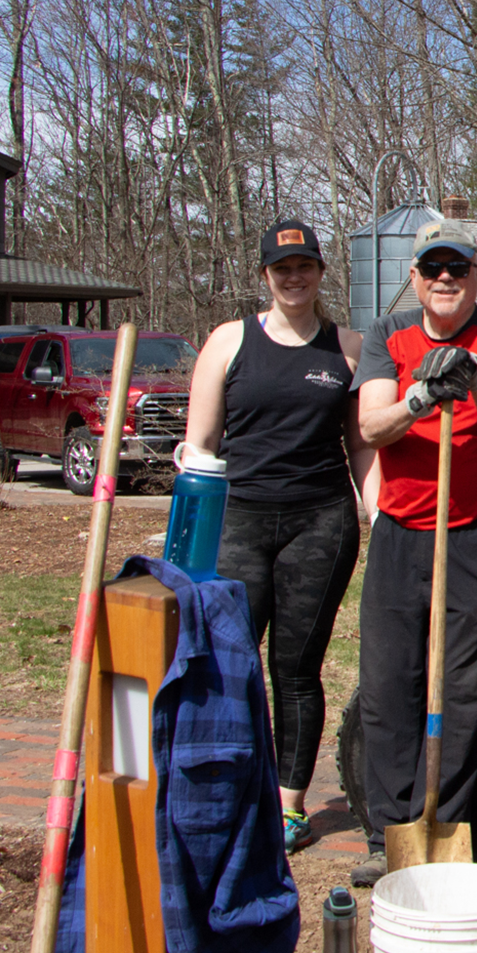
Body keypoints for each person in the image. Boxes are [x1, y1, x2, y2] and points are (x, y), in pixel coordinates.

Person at [185, 218, 375, 855]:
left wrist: (375, 512)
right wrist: (188, 522)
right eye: (280, 269)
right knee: (228, 664)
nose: (293, 278)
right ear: (264, 276)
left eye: (304, 267)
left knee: (295, 670)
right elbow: (201, 446)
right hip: (238, 519)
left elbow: (360, 448)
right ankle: (233, 790)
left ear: (321, 272)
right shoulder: (227, 343)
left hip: (319, 523)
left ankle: (289, 806)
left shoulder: (347, 349)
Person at [350, 219, 477, 887]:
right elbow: (371, 423)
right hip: (402, 535)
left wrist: (475, 382)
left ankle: (450, 823)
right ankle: (388, 832)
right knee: (389, 685)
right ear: (416, 279)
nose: (445, 279)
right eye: (433, 270)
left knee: (464, 688)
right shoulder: (386, 335)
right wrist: (421, 395)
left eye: (458, 268)